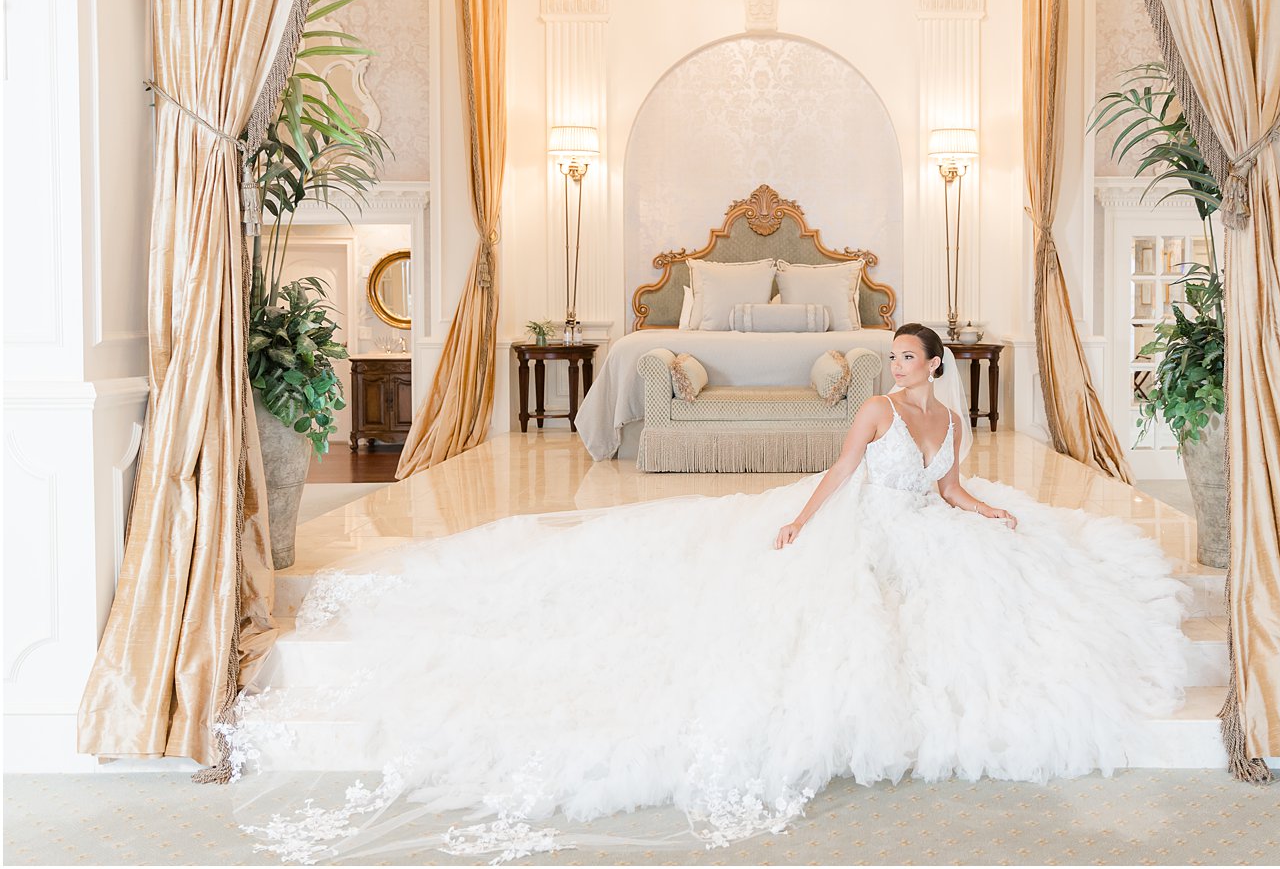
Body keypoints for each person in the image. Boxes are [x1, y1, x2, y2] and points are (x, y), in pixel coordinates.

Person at [230, 323, 1189, 865]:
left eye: (907, 357)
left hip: (929, 526)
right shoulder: (871, 410)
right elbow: (841, 473)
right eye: (889, 357)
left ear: (937, 363)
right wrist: (802, 525)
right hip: (862, 523)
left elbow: (944, 485)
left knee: (999, 593)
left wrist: (985, 511)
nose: (894, 368)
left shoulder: (949, 416)